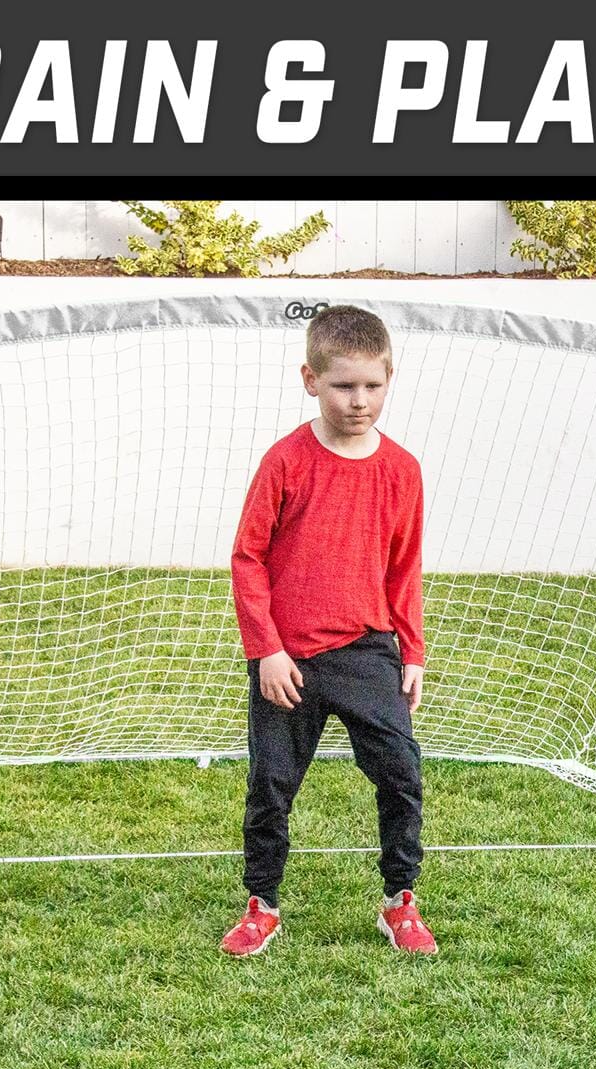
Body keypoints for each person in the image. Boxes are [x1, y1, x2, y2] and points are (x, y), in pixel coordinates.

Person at [221, 304, 436, 957]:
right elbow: (248, 558)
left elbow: (404, 566)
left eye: (372, 385)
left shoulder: (402, 470)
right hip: (289, 660)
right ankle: (262, 903)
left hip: (368, 651)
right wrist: (266, 650)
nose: (359, 400)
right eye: (344, 385)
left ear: (389, 379)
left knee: (401, 773)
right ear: (311, 380)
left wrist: (412, 650)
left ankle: (400, 900)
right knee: (271, 785)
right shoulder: (286, 462)